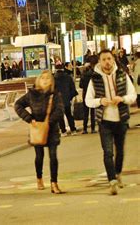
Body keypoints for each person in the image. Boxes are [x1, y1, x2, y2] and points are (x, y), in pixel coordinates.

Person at [85, 49, 136, 195]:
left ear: (113, 60)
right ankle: (112, 180)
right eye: (104, 59)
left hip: (120, 119)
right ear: (99, 62)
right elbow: (88, 101)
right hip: (104, 121)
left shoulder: (122, 75)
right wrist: (100, 101)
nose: (107, 62)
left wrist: (122, 99)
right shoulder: (94, 79)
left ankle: (118, 173)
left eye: (109, 59)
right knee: (107, 152)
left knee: (119, 151)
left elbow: (132, 95)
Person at [15, 70, 64, 194]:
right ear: (38, 80)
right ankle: (39, 178)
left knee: (53, 156)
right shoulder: (32, 95)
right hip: (37, 128)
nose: (45, 80)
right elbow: (18, 105)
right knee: (39, 156)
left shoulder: (55, 94)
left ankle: (54, 183)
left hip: (51, 128)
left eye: (48, 78)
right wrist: (29, 119)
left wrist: (50, 121)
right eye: (43, 78)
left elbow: (60, 110)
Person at [54, 64, 78, 136]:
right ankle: (73, 130)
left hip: (58, 101)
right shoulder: (68, 77)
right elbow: (72, 89)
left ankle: (63, 131)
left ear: (55, 69)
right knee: (69, 115)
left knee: (60, 117)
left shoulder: (53, 78)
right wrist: (70, 98)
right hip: (67, 100)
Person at [79, 59, 97, 134]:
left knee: (85, 112)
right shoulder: (94, 75)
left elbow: (80, 86)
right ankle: (93, 128)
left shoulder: (83, 75)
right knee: (92, 112)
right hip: (93, 95)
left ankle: (85, 128)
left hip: (85, 94)